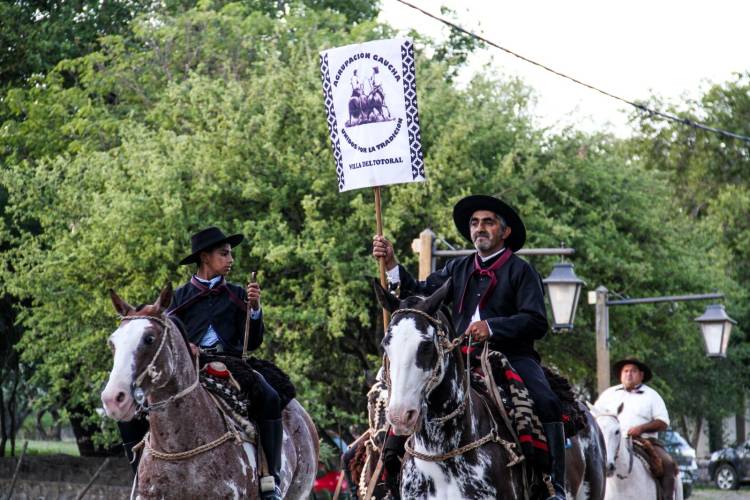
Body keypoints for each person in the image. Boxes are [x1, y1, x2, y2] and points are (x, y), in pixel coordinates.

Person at [372, 195, 566, 500]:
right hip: (458, 358)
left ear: (505, 232)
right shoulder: (457, 268)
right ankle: (390, 477)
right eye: (475, 223)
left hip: (510, 357)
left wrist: (492, 327)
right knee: (405, 397)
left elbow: (535, 321)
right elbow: (420, 294)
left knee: (546, 401)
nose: (480, 228)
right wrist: (393, 263)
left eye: (488, 222)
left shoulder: (521, 271)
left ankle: (554, 485)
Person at [167, 226, 283, 500]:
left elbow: (252, 342)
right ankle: (142, 472)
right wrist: (186, 347)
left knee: (270, 397)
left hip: (231, 364)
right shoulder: (178, 298)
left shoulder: (238, 294)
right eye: (224, 254)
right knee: (141, 403)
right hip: (189, 368)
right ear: (205, 257)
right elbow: (167, 339)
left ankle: (271, 481)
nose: (230, 260)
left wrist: (254, 310)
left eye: (231, 254)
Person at [595, 357, 677, 499]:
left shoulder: (652, 395)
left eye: (633, 371)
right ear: (621, 374)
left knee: (668, 464)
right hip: (610, 442)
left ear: (641, 375)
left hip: (644, 442)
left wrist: (641, 428)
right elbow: (595, 416)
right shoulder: (608, 395)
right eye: (625, 371)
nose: (629, 374)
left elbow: (663, 422)